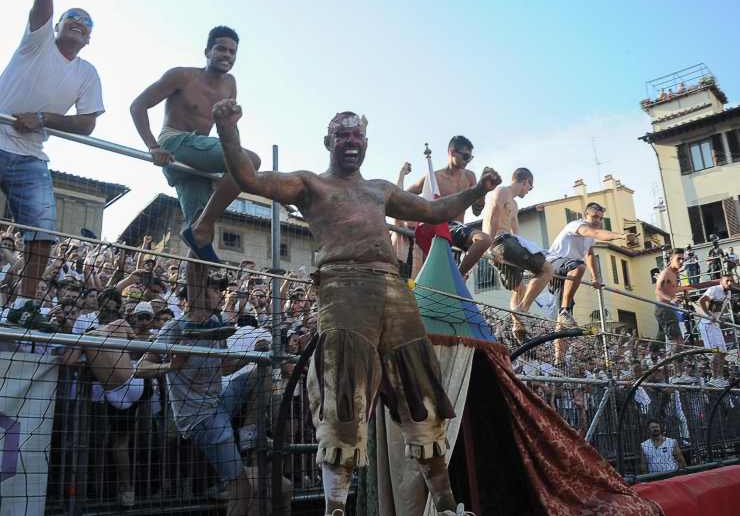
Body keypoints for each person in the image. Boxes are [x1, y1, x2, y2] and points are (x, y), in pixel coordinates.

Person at [209, 99, 499, 516]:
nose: (350, 141)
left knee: (422, 391)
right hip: (343, 284)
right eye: (342, 135)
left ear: (366, 143)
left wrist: (477, 191)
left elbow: (435, 210)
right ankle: (335, 507)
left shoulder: (378, 189)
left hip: (393, 286)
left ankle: (447, 505)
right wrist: (228, 130)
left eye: (357, 135)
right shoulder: (311, 184)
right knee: (344, 392)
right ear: (328, 141)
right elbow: (248, 177)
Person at [2, 0, 104, 328]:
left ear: (90, 37)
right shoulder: (38, 41)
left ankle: (25, 306)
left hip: (30, 155)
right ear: (56, 25)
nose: (79, 21)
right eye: (72, 17)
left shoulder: (87, 72)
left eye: (87, 22)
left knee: (43, 232)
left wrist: (43, 119)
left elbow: (88, 123)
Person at [130, 26, 261, 263]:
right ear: (207, 51)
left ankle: (196, 292)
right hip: (174, 143)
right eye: (221, 48)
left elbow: (229, 128)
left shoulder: (230, 84)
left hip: (198, 160)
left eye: (233, 52)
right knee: (251, 161)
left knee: (200, 242)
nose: (227, 55)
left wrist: (230, 169)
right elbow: (137, 105)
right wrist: (152, 147)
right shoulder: (182, 76)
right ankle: (203, 224)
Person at [144, 259, 258, 516]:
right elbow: (140, 367)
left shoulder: (217, 325)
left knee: (255, 376)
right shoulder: (175, 328)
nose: (220, 294)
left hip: (217, 402)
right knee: (242, 489)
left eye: (221, 289)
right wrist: (171, 366)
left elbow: (226, 367)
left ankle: (251, 435)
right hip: (199, 416)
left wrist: (255, 356)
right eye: (214, 289)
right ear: (196, 293)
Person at [546, 202, 635, 361]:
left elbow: (589, 254)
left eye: (600, 218)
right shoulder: (579, 225)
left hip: (566, 272)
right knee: (579, 268)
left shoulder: (588, 238)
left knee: (563, 323)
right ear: (585, 216)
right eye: (594, 217)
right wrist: (621, 236)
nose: (597, 221)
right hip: (554, 264)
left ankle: (559, 359)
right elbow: (596, 234)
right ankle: (564, 310)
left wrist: (595, 277)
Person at [483, 168, 553, 343]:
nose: (529, 191)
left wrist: (531, 250)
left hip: (507, 244)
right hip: (500, 242)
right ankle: (523, 309)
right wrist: (488, 245)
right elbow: (492, 216)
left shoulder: (514, 205)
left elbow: (517, 234)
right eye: (530, 187)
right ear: (525, 181)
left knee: (520, 288)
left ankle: (518, 328)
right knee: (547, 270)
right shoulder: (501, 191)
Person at [406, 135, 492, 278]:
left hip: (457, 231)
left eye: (470, 158)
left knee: (484, 241)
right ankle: (457, 277)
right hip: (437, 226)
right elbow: (405, 196)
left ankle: (457, 276)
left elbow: (477, 211)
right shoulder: (434, 177)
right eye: (465, 156)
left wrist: (483, 189)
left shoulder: (469, 176)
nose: (467, 161)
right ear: (452, 152)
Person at [654, 249, 685, 352]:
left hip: (668, 308)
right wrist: (672, 299)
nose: (681, 262)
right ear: (671, 259)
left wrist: (677, 297)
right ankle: (676, 365)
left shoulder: (674, 273)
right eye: (678, 259)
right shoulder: (666, 273)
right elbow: (658, 291)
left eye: (683, 259)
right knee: (677, 341)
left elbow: (668, 290)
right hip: (664, 308)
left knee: (674, 340)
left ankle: (654, 351)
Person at [697, 275, 734, 352]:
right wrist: (709, 315)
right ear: (721, 282)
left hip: (715, 324)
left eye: (731, 281)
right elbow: (701, 301)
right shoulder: (714, 290)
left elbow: (722, 307)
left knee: (723, 351)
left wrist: (721, 316)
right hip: (707, 324)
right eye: (727, 281)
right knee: (715, 352)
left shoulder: (729, 293)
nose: (729, 283)